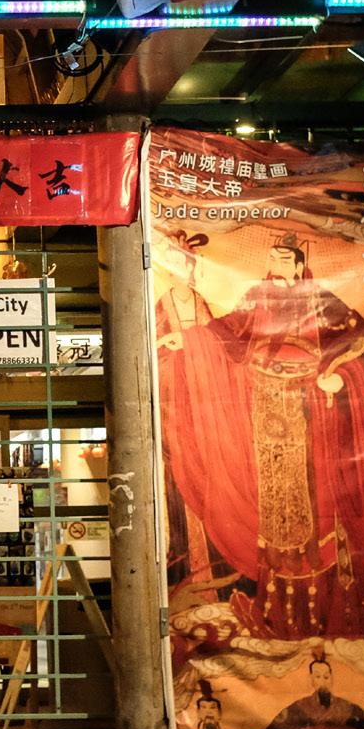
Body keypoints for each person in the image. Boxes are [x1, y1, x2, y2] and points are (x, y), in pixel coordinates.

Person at [208, 233, 364, 639]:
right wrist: (193, 338)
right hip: (266, 403)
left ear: (299, 265)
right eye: (272, 257)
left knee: (317, 497)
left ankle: (326, 605)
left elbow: (360, 336)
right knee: (274, 498)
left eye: (284, 258)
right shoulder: (257, 296)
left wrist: (337, 374)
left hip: (309, 405)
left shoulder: (319, 298)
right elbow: (225, 334)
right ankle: (275, 602)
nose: (276, 264)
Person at [153, 231, 260, 586]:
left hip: (207, 404)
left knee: (221, 466)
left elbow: (226, 347)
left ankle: (223, 557)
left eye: (185, 265)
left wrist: (191, 342)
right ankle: (189, 561)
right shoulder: (162, 306)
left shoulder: (201, 304)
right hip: (179, 403)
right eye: (174, 264)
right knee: (182, 474)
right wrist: (177, 349)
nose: (180, 271)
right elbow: (155, 351)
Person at [262, 652, 364, 729]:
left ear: (331, 678)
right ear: (312, 679)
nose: (323, 681)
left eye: (326, 677)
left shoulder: (347, 706)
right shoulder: (299, 706)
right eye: (317, 677)